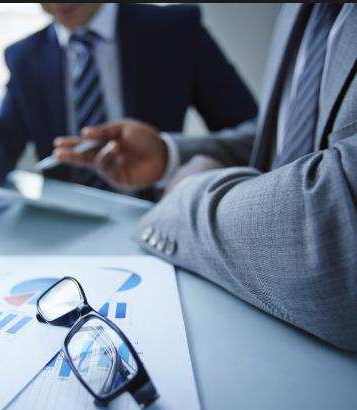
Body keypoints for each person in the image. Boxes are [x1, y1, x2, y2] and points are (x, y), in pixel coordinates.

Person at [53, 3, 357, 352]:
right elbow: (282, 139)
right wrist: (169, 155)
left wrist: (184, 192)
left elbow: (336, 233)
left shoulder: (174, 24)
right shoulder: (299, 11)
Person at [0, 3, 257, 210]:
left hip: (161, 211)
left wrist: (175, 160)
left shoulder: (175, 30)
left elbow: (252, 133)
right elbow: (1, 136)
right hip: (66, 225)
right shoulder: (25, 57)